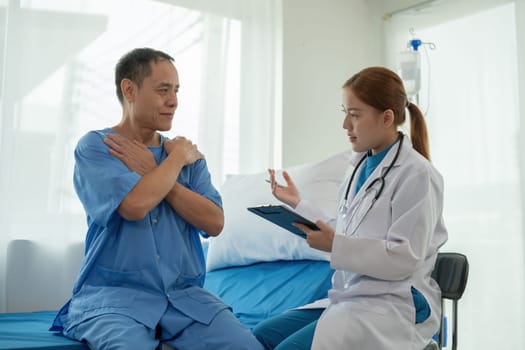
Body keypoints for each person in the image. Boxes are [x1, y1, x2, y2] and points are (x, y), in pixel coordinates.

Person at [51, 48, 263, 350]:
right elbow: (135, 206)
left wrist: (161, 167)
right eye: (163, 90)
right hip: (116, 299)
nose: (174, 101)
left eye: (176, 91)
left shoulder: (189, 156)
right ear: (129, 90)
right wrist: (174, 162)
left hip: (185, 301)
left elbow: (214, 222)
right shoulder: (98, 147)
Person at [253, 66, 448, 350]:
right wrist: (298, 204)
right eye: (345, 112)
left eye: (355, 115)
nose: (345, 124)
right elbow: (347, 229)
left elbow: (405, 258)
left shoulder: (418, 175)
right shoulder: (358, 166)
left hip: (395, 301)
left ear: (386, 118)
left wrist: (335, 246)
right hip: (357, 294)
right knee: (260, 336)